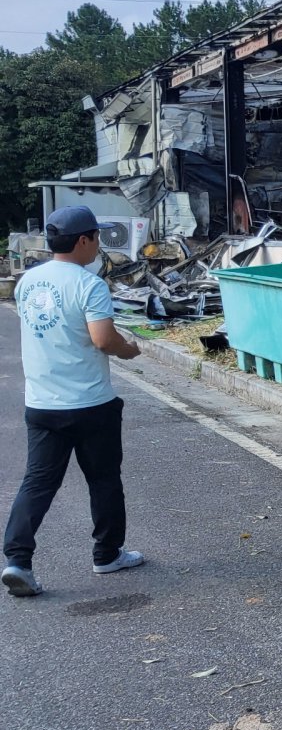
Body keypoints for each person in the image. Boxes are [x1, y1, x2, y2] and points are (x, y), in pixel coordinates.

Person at [4, 206, 144, 598]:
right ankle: (107, 554)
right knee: (102, 479)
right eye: (97, 238)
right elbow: (103, 339)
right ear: (83, 240)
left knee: (37, 482)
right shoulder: (89, 284)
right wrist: (129, 349)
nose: (99, 245)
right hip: (90, 403)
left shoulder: (27, 282)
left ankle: (17, 561)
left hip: (42, 403)